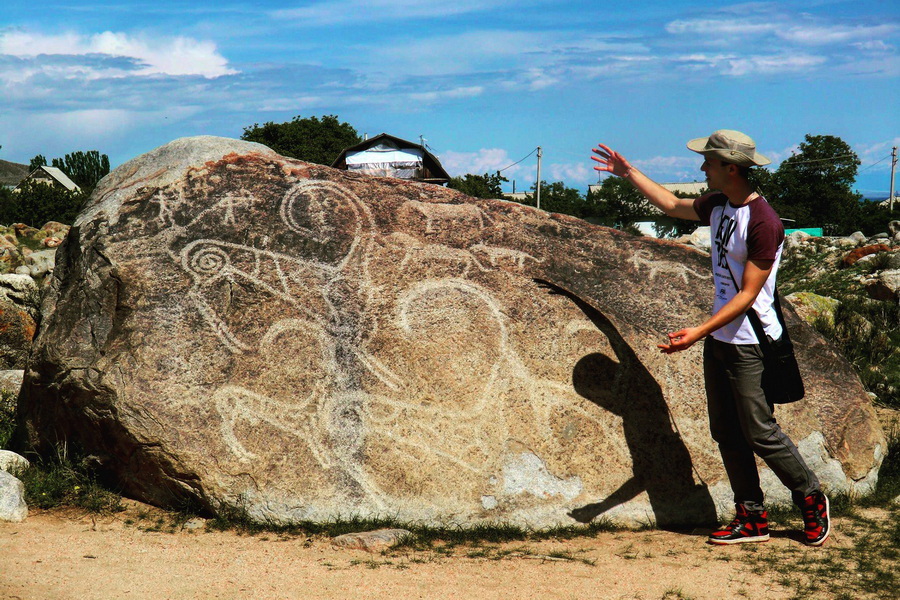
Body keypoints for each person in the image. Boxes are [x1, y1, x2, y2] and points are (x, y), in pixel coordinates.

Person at [591, 130, 830, 546]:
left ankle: (810, 496)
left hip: (751, 341)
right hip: (720, 339)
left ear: (731, 168)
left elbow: (749, 294)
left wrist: (697, 331)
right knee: (725, 430)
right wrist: (628, 172)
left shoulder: (764, 222)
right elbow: (670, 204)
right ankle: (751, 517)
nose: (703, 168)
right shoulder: (719, 204)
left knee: (759, 430)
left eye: (709, 162)